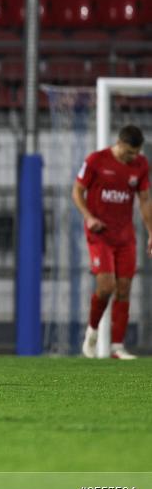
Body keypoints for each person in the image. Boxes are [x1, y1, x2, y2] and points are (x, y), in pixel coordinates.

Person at [73, 125, 151, 360]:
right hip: (100, 234)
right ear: (119, 143)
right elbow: (77, 192)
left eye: (136, 153)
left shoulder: (141, 165)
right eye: (128, 153)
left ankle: (117, 347)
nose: (132, 158)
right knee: (106, 287)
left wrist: (151, 232)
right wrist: (89, 217)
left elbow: (145, 201)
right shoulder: (96, 160)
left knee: (124, 288)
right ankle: (92, 332)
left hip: (125, 236)